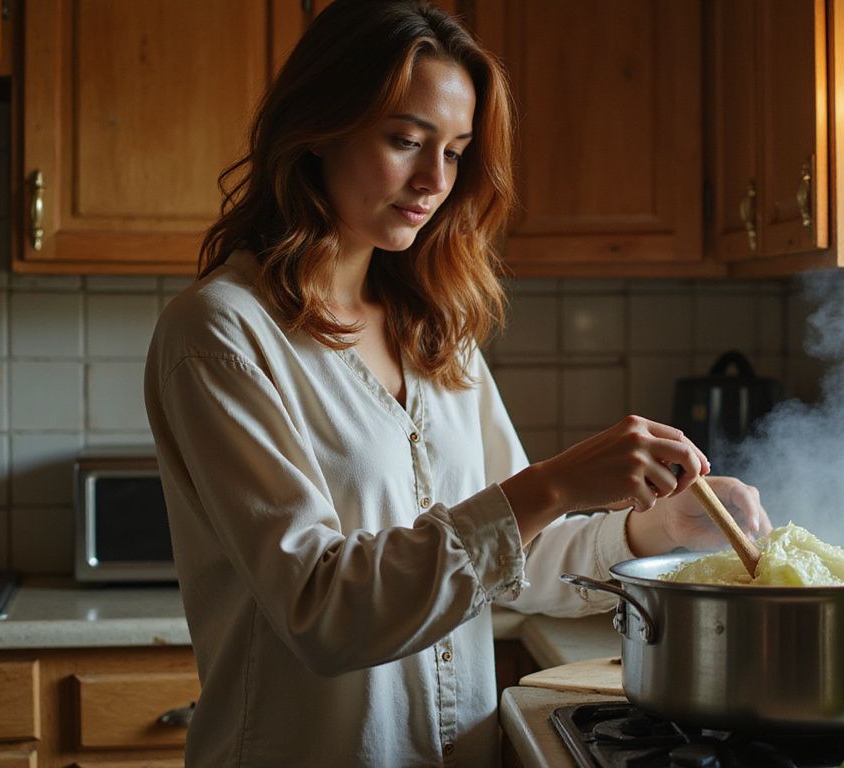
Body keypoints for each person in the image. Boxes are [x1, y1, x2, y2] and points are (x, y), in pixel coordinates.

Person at [143, 1, 770, 765]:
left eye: (457, 150)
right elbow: (323, 610)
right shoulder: (221, 334)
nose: (434, 179)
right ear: (318, 130)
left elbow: (505, 559)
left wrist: (652, 534)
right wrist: (557, 482)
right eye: (406, 140)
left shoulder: (437, 331)